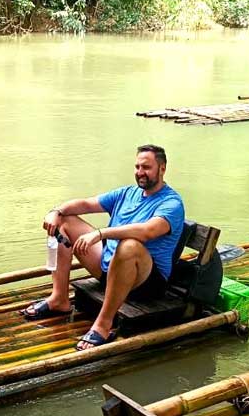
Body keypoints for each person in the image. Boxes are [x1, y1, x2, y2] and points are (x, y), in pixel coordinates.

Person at [22, 144, 185, 351]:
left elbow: (147, 231)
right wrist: (56, 211)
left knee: (130, 246)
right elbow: (86, 204)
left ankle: (103, 324)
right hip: (111, 269)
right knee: (66, 222)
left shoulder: (172, 203)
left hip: (145, 282)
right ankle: (59, 298)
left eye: (146, 167)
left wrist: (100, 233)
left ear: (162, 169)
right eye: (137, 167)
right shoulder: (128, 193)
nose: (140, 173)